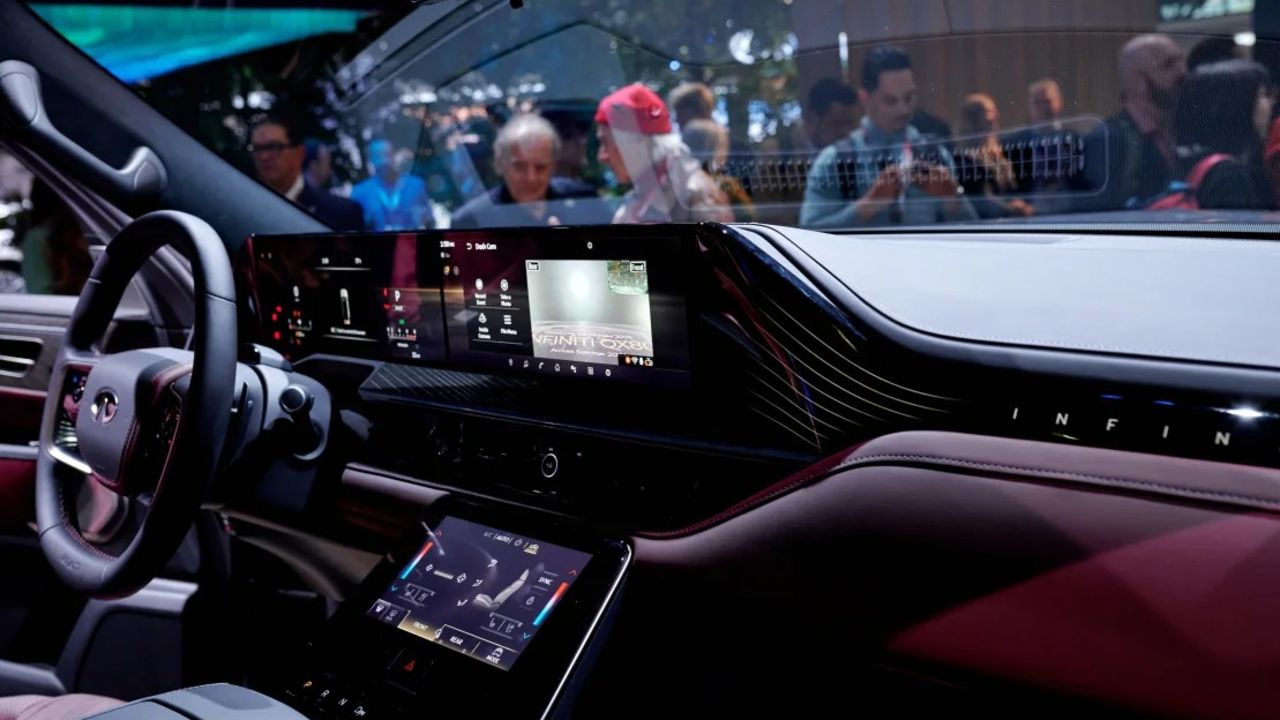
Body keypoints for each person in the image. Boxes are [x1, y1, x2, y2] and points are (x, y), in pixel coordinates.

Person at [800, 45, 976, 228]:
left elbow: (973, 231)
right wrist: (868, 205)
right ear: (865, 99)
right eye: (890, 100)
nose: (903, 109)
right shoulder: (834, 160)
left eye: (909, 97)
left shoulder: (935, 154)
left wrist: (953, 198)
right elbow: (810, 232)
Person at [594, 83, 732, 224]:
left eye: (605, 142)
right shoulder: (646, 192)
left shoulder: (694, 194)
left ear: (636, 143)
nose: (602, 156)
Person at [1080, 34, 1186, 210]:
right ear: (1139, 83)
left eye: (1181, 62)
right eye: (1169, 65)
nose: (1182, 71)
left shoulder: (1177, 131)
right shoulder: (1107, 142)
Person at [451, 113, 605, 228]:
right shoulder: (471, 221)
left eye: (541, 167)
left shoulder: (585, 200)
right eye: (519, 166)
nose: (531, 177)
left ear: (553, 166)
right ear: (499, 164)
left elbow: (618, 267)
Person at [1160, 59, 1274, 210]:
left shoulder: (1180, 161)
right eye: (1262, 95)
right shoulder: (1230, 175)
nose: (1271, 102)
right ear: (1237, 105)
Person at [248, 117, 363, 232]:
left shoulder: (340, 212)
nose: (264, 156)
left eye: (274, 147)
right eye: (257, 149)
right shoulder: (245, 210)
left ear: (299, 153)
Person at [955, 93, 1034, 218]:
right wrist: (1011, 209)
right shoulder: (965, 158)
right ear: (972, 119)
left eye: (993, 111)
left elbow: (1013, 191)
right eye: (987, 112)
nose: (993, 117)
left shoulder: (1000, 155)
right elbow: (981, 199)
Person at [681, 118, 756, 222]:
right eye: (723, 145)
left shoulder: (677, 178)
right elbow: (747, 215)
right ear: (712, 148)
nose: (726, 151)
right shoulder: (714, 184)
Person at [350, 139, 434, 231]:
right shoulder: (360, 192)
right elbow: (354, 229)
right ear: (371, 160)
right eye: (377, 156)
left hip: (411, 243)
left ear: (393, 155)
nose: (384, 161)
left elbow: (429, 221)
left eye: (386, 154)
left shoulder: (416, 185)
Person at [804, 78, 859, 151]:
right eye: (837, 124)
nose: (845, 132)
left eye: (850, 124)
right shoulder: (794, 155)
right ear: (812, 118)